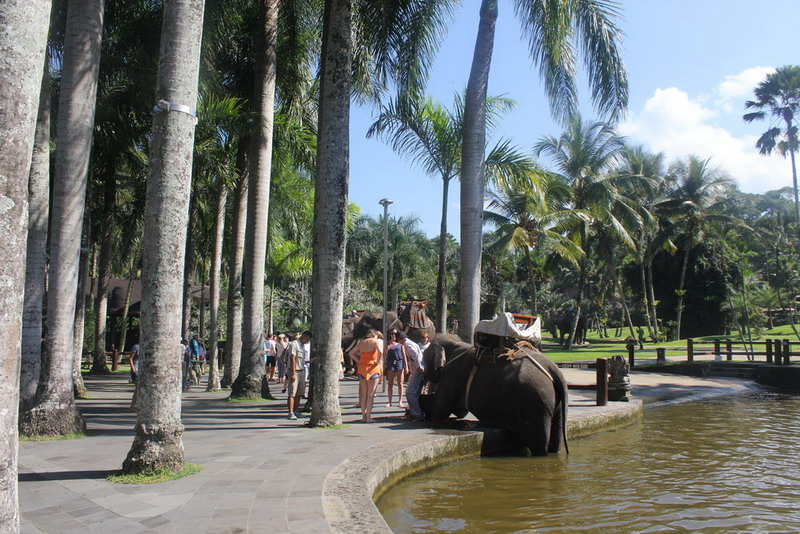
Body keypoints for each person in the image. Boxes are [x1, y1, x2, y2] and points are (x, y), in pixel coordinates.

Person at [349, 329, 384, 423]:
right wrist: (377, 361)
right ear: (375, 335)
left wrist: (359, 361)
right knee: (370, 395)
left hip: (362, 368)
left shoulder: (361, 343)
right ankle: (368, 417)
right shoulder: (375, 342)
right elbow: (380, 352)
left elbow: (351, 353)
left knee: (363, 395)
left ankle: (363, 416)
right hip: (373, 368)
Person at [399, 332, 425, 421]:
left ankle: (417, 414)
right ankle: (414, 412)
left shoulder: (407, 344)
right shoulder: (409, 343)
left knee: (410, 393)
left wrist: (420, 366)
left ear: (400, 339)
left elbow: (415, 355)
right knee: (415, 392)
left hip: (418, 370)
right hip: (416, 369)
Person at [287, 331, 312, 420]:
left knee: (299, 393)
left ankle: (296, 411)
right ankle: (290, 412)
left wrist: (310, 361)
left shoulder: (302, 345)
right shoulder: (294, 344)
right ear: (304, 336)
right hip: (294, 371)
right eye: (307, 339)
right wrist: (293, 373)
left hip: (302, 370)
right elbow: (292, 358)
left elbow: (300, 360)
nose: (308, 341)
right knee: (292, 393)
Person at [384, 330, 407, 409]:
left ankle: (400, 401)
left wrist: (406, 366)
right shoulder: (388, 344)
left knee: (400, 382)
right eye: (392, 334)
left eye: (395, 334)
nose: (393, 335)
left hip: (399, 362)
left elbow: (404, 355)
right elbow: (384, 354)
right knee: (390, 383)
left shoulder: (400, 345)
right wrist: (387, 349)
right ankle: (389, 401)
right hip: (391, 363)